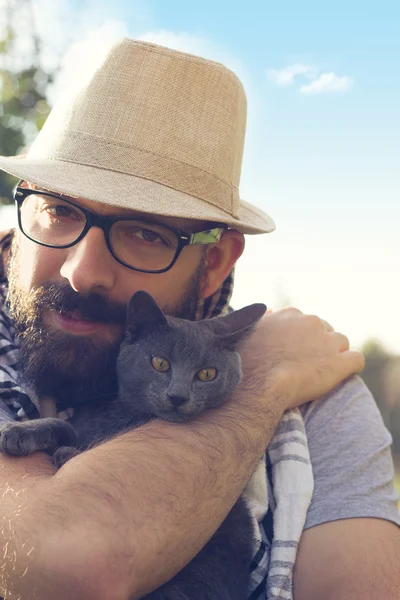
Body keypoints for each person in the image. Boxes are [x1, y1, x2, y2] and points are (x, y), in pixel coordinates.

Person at [0, 38, 398, 600]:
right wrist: (262, 381)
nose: (82, 273)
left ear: (212, 263)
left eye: (144, 233)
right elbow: (58, 565)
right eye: (59, 209)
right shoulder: (281, 371)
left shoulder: (320, 401)